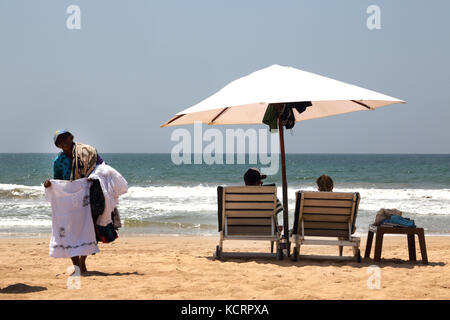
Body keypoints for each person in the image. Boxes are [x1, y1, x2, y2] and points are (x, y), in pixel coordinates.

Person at [44, 129, 104, 273]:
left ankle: (83, 262)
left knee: (87, 229)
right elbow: (57, 181)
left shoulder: (87, 151)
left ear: (71, 137)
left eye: (64, 138)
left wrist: (93, 177)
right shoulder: (58, 161)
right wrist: (49, 184)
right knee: (71, 233)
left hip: (87, 196)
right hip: (69, 202)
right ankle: (76, 264)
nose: (63, 142)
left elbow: (102, 168)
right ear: (57, 145)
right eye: (59, 141)